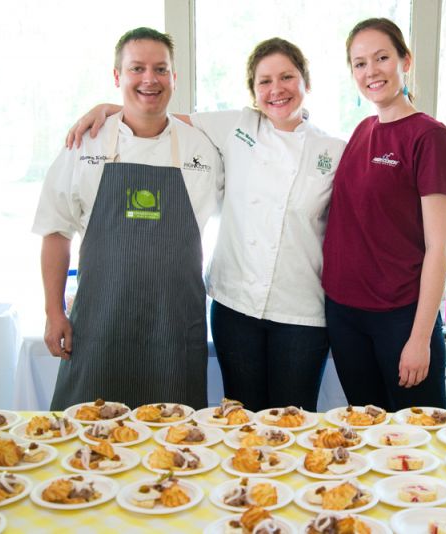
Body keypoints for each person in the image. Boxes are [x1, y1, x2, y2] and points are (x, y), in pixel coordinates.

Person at [66, 38, 346, 412]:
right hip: (235, 307)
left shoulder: (334, 150)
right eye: (264, 81)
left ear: (305, 82)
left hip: (301, 313)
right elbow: (156, 115)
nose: (276, 89)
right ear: (253, 91)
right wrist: (107, 107)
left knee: (293, 422)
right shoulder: (235, 125)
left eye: (287, 77)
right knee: (239, 420)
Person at [33, 27, 223, 410]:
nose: (149, 79)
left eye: (160, 69)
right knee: (88, 436)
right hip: (100, 324)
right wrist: (54, 311)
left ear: (174, 77)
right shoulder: (85, 143)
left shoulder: (202, 147)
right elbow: (56, 231)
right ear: (117, 76)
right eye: (137, 68)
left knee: (176, 443)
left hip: (174, 327)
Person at [321, 18, 446, 412]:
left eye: (382, 57)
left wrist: (420, 339)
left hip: (400, 318)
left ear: (405, 60)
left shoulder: (430, 137)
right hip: (346, 314)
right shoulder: (362, 130)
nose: (371, 71)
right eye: (360, 63)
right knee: (368, 438)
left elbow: (439, 247)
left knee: (418, 440)